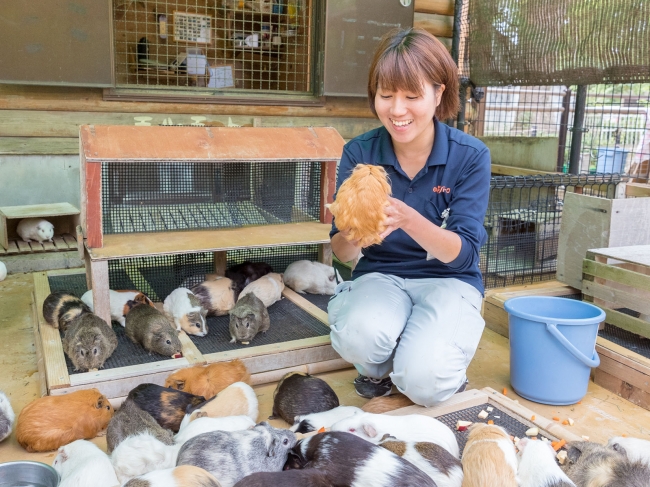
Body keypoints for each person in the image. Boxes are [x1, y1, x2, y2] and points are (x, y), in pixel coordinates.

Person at [327, 28, 491, 407]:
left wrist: (407, 219)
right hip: (381, 275)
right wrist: (355, 235)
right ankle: (393, 357)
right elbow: (341, 252)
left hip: (449, 280)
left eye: (412, 96)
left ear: (439, 93)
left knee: (426, 384)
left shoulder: (470, 156)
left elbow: (464, 255)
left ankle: (430, 359)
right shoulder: (359, 152)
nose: (397, 110)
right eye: (386, 95)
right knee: (360, 338)